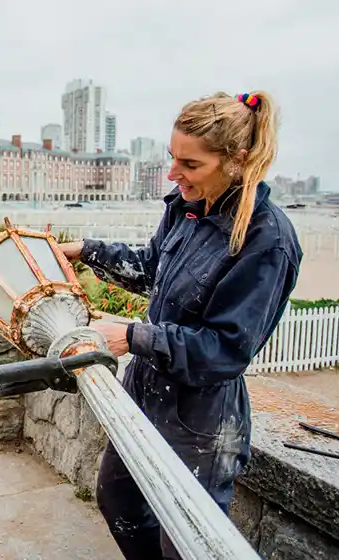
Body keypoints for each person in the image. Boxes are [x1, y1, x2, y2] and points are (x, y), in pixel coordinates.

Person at [60, 91, 302, 559]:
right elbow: (154, 270)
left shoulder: (267, 239)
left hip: (201, 422)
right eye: (172, 158)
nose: (173, 174)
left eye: (189, 164)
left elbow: (225, 351)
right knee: (118, 499)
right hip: (145, 394)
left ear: (238, 159)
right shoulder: (187, 206)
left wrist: (132, 335)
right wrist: (87, 251)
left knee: (187, 545)